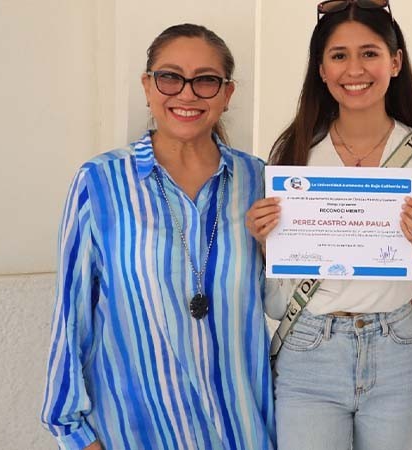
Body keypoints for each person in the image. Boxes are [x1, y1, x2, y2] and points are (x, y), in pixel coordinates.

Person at [40, 24, 275, 450]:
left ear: (227, 94)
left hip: (240, 429)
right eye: (170, 77)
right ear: (147, 87)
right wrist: (74, 433)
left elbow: (280, 299)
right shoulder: (100, 182)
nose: (187, 93)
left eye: (205, 80)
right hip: (133, 432)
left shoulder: (258, 179)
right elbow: (71, 316)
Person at [245, 1, 412, 449]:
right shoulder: (295, 153)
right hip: (309, 351)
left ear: (395, 62)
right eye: (339, 55)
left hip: (396, 351)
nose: (354, 69)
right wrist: (267, 244)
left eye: (370, 53)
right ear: (321, 69)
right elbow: (278, 301)